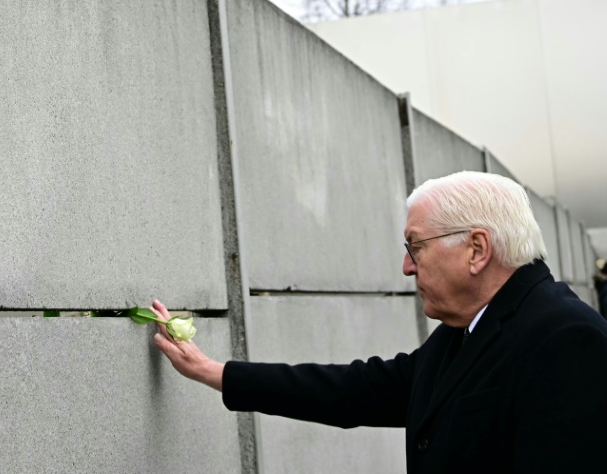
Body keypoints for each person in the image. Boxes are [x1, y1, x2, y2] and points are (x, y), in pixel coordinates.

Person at [151, 171, 607, 473]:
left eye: (416, 247)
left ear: (476, 249)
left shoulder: (567, 340)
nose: (407, 268)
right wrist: (214, 372)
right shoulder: (466, 330)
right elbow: (353, 390)